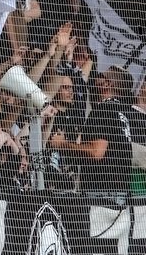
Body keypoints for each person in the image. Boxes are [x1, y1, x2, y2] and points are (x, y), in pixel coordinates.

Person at [51, 66, 134, 196]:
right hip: (118, 194)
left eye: (100, 75)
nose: (96, 78)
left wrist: (62, 144)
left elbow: (96, 152)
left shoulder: (104, 109)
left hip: (101, 197)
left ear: (107, 84)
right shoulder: (120, 112)